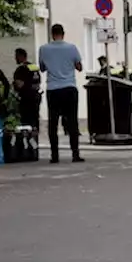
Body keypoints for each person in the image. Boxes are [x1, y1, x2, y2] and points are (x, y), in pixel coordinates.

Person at [38, 23, 83, 163]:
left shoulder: (43, 49)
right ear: (63, 33)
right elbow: (79, 67)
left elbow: (43, 68)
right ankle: (75, 154)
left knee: (53, 122)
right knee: (72, 122)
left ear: (52, 34)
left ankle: (54, 155)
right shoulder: (72, 48)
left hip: (53, 89)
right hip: (69, 88)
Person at [12, 48, 42, 131]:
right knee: (35, 121)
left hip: (26, 99)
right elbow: (38, 81)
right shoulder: (34, 67)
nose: (15, 58)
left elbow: (19, 84)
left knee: (26, 123)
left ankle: (28, 141)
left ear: (21, 56)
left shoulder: (20, 69)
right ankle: (35, 140)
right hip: (36, 97)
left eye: (16, 56)